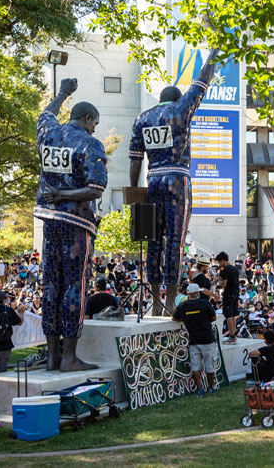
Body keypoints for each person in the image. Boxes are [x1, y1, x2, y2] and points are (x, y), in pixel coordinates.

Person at [129, 50, 218, 314]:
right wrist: (214, 51)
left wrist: (136, 192)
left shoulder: (142, 119)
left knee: (153, 241)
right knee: (175, 242)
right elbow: (201, 83)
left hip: (152, 180)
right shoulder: (181, 110)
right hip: (177, 179)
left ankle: (155, 303)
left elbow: (135, 160)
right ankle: (169, 304)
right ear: (177, 100)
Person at [34, 77, 107, 371]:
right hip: (75, 223)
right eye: (94, 124)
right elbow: (96, 188)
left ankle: (52, 354)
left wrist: (63, 92)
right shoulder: (89, 143)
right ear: (88, 119)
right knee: (74, 287)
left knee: (50, 285)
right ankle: (69, 357)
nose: (94, 129)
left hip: (49, 221)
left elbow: (45, 114)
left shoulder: (48, 133)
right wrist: (65, 194)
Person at [171, 283, 219, 397]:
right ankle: (210, 388)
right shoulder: (205, 303)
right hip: (207, 338)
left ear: (188, 293)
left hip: (193, 339)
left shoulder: (183, 305)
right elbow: (213, 317)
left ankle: (199, 389)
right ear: (198, 293)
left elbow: (175, 317)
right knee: (209, 365)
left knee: (195, 366)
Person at [217, 252, 240, 344]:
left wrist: (219, 284)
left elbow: (224, 284)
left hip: (229, 293)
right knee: (233, 315)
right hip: (235, 292)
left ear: (222, 260)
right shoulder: (235, 268)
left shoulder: (225, 270)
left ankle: (231, 335)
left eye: (219, 261)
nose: (219, 264)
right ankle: (233, 334)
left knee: (228, 315)